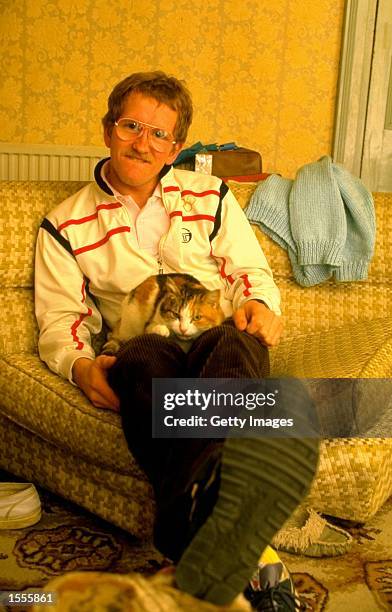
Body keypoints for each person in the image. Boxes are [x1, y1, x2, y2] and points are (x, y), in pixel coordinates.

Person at [35, 71, 318, 610]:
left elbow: (249, 274)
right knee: (140, 360)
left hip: (218, 333)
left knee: (233, 346)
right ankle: (242, 542)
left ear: (176, 147)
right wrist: (80, 367)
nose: (143, 143)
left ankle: (193, 531)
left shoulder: (210, 195)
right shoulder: (65, 224)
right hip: (150, 346)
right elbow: (59, 320)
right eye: (131, 126)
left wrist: (261, 305)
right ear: (108, 129)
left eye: (158, 134)